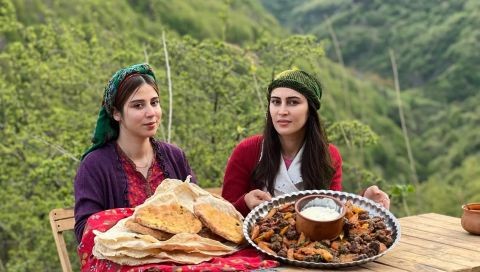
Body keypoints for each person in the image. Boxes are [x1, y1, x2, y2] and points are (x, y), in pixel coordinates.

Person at [222, 68, 390, 216]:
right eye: (275, 102)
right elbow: (223, 213)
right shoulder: (248, 151)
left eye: (293, 102)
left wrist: (364, 202)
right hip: (252, 245)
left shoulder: (328, 156)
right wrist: (245, 202)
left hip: (308, 245)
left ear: (310, 110)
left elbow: (331, 212)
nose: (282, 111)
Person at [74, 63, 196, 243]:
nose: (151, 113)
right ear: (117, 113)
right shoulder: (94, 165)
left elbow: (196, 210)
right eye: (138, 106)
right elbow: (86, 231)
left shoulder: (174, 157)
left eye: (154, 103)